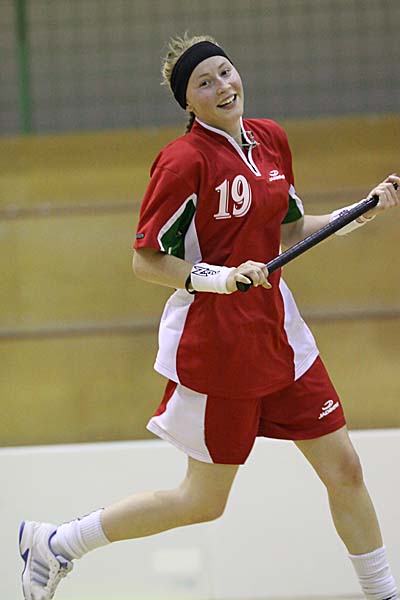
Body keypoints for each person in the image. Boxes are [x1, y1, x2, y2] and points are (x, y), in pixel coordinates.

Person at [19, 33, 399, 600]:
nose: (223, 86)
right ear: (188, 102)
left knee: (345, 469)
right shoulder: (183, 161)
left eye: (225, 71)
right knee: (202, 502)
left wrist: (356, 214)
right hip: (218, 347)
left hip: (282, 337)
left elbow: (291, 230)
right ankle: (59, 543)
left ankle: (382, 593)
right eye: (204, 82)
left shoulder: (270, 140)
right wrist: (219, 277)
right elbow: (146, 260)